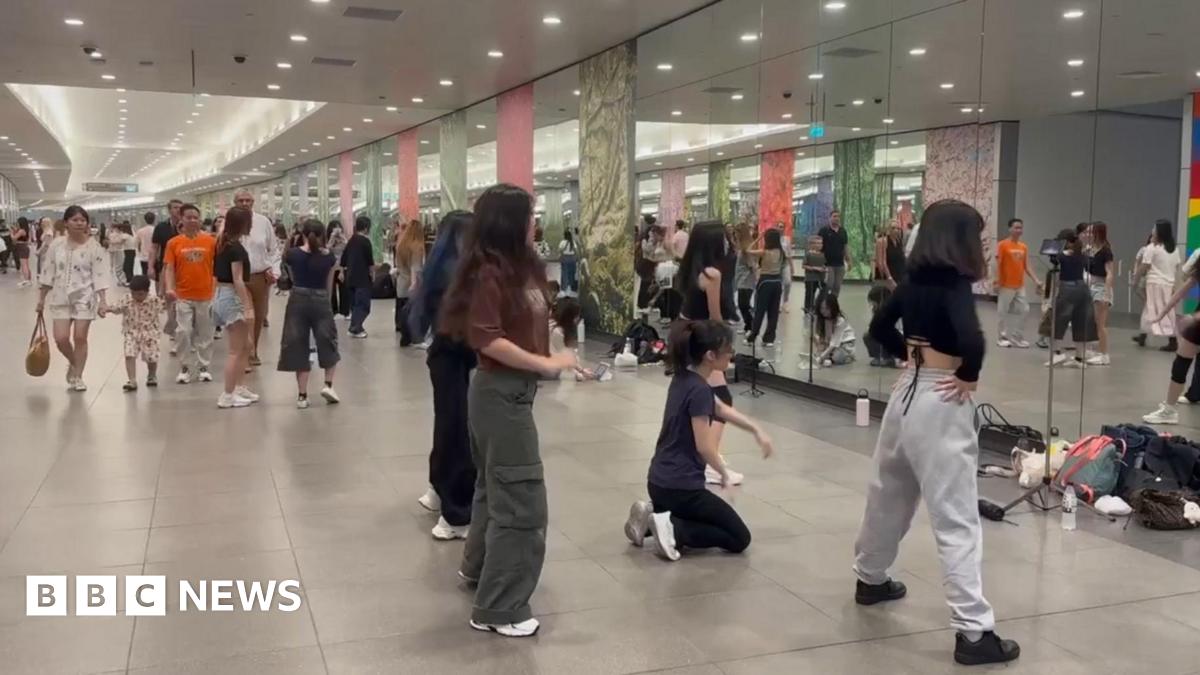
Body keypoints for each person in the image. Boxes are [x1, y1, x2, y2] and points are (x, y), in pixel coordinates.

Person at [856, 199, 1020, 666]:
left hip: (907, 392)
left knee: (888, 492)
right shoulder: (954, 284)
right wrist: (968, 373)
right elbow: (972, 339)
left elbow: (879, 327)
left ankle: (870, 577)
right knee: (956, 515)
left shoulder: (912, 282)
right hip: (943, 399)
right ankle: (973, 633)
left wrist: (908, 357)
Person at [440, 183, 576, 638]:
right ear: (508, 222)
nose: (535, 222)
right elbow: (488, 338)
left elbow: (534, 326)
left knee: (493, 488)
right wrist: (544, 363)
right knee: (521, 501)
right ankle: (499, 608)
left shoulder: (521, 270)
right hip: (499, 395)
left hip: (513, 393)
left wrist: (560, 354)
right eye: (529, 215)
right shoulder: (488, 273)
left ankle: (478, 572)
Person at [624, 320, 774, 562]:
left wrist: (756, 429)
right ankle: (673, 528)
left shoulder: (684, 379)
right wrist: (723, 473)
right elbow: (704, 446)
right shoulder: (700, 390)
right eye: (728, 351)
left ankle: (654, 516)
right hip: (681, 489)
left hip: (658, 483)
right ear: (710, 356)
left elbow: (722, 409)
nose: (731, 355)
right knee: (739, 538)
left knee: (707, 517)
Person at [410, 210, 477, 540]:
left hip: (443, 356)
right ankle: (456, 514)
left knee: (447, 425)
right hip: (457, 355)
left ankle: (437, 489)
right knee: (458, 434)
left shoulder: (439, 267)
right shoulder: (460, 273)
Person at [678, 220, 744, 486]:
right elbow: (715, 316)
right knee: (721, 399)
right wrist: (726, 344)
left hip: (686, 333)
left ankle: (705, 456)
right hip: (705, 339)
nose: (728, 242)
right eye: (724, 238)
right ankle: (709, 459)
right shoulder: (712, 274)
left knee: (699, 397)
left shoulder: (688, 270)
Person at [36, 205, 113, 392]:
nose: (79, 223)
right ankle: (73, 362)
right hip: (61, 296)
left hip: (84, 297)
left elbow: (100, 274)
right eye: (75, 220)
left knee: (80, 337)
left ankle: (78, 376)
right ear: (66, 223)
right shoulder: (56, 244)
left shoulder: (94, 247)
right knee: (61, 339)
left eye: (83, 220)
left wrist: (103, 300)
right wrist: (41, 299)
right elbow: (48, 271)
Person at [278, 219, 341, 408]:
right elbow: (329, 284)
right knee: (328, 341)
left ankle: (302, 396)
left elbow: (288, 277)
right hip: (321, 299)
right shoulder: (329, 257)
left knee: (298, 344)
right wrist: (326, 302)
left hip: (298, 298)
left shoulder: (292, 255)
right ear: (323, 234)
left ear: (303, 234)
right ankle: (328, 385)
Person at [211, 207, 259, 409]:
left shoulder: (222, 243)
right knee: (235, 350)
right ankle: (227, 394)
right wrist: (247, 306)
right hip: (231, 297)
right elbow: (238, 279)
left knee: (247, 345)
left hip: (222, 295)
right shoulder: (235, 248)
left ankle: (239, 387)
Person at [163, 203, 217, 384]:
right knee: (183, 331)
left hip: (206, 294)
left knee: (205, 333)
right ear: (182, 219)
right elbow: (169, 268)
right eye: (189, 217)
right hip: (183, 295)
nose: (193, 220)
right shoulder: (174, 243)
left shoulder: (211, 241)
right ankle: (185, 367)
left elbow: (216, 268)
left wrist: (215, 289)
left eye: (196, 217)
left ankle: (204, 367)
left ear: (200, 219)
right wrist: (170, 289)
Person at [232, 190, 281, 369]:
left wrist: (273, 271)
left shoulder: (263, 222)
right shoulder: (229, 223)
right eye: (241, 200)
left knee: (258, 317)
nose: (245, 203)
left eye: (248, 200)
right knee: (244, 316)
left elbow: (273, 250)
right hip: (236, 278)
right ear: (235, 202)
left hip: (259, 276)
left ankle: (254, 350)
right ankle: (244, 353)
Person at [1044, 228, 1096, 369]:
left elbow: (1055, 262)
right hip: (1083, 289)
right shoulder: (1083, 255)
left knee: (1058, 321)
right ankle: (1079, 357)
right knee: (1080, 323)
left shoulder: (1061, 255)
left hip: (1067, 288)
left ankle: (1057, 353)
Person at [109, 275, 162, 391]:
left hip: (150, 333)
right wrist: (107, 309)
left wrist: (171, 301)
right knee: (129, 354)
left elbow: (164, 307)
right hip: (131, 332)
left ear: (147, 292)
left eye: (140, 294)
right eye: (133, 293)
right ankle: (132, 380)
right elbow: (117, 308)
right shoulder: (127, 299)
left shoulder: (154, 300)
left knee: (151, 357)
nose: (136, 296)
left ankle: (152, 375)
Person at [994, 218, 1041, 348]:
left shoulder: (1023, 246)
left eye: (1020, 227)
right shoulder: (1002, 245)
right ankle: (1001, 337)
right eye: (1016, 227)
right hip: (1005, 284)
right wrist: (996, 281)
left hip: (1019, 285)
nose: (1019, 230)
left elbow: (1027, 266)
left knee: (1025, 310)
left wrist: (1036, 280)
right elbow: (997, 264)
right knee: (1002, 311)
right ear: (1010, 229)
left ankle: (1016, 336)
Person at [1135, 219, 1180, 352]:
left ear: (1159, 231)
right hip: (1168, 284)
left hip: (1154, 283)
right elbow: (1176, 267)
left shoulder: (1152, 248)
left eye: (1154, 228)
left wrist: (1135, 279)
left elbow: (1144, 266)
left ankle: (1169, 340)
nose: (1152, 230)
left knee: (1152, 309)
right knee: (1166, 311)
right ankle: (1145, 335)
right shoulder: (1174, 249)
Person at [747, 228, 788, 347]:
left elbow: (748, 250)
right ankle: (769, 338)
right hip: (777, 282)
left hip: (765, 281)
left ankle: (753, 337)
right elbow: (783, 267)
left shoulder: (764, 252)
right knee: (773, 311)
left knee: (760, 310)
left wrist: (758, 238)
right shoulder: (781, 253)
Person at [151, 199, 183, 347]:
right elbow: (154, 248)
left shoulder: (187, 226)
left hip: (186, 268)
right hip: (167, 267)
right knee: (169, 300)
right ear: (169, 210)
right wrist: (150, 266)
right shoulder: (161, 227)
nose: (178, 210)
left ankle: (184, 331)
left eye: (180, 207)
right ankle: (173, 331)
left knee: (186, 301)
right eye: (175, 207)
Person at [1086, 221, 1115, 366]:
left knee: (1101, 323)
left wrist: (1106, 293)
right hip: (1091, 285)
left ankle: (1104, 355)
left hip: (1101, 285)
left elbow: (1110, 273)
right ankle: (1094, 350)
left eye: (1091, 232)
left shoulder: (1106, 251)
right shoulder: (1090, 249)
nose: (1088, 234)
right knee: (1092, 321)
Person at [341, 216, 375, 338]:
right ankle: (355, 328)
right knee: (363, 305)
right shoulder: (365, 241)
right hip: (362, 278)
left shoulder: (351, 240)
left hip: (350, 277)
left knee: (355, 304)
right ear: (366, 228)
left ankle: (355, 326)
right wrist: (373, 275)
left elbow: (343, 260)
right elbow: (370, 262)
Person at [393, 218, 426, 343]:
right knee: (413, 310)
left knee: (402, 308)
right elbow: (416, 267)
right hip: (412, 281)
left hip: (401, 281)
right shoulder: (417, 246)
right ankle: (412, 336)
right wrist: (414, 283)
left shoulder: (401, 245)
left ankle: (402, 330)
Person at [814, 292, 857, 366]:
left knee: (837, 356)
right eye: (821, 308)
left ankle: (848, 357)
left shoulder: (840, 321)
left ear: (833, 308)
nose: (823, 311)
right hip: (831, 344)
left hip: (844, 345)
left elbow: (834, 343)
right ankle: (828, 357)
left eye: (827, 308)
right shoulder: (822, 319)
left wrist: (821, 358)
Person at [819, 209, 852, 296]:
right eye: (834, 216)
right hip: (827, 263)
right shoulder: (824, 230)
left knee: (837, 286)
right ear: (830, 218)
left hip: (839, 264)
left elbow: (845, 247)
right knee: (829, 285)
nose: (837, 218)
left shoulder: (843, 231)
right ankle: (820, 302)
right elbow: (818, 246)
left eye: (838, 217)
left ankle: (832, 305)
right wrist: (819, 261)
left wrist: (849, 260)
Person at [733, 223, 757, 329]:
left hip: (746, 279)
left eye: (737, 232)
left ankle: (751, 325)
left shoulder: (747, 247)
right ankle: (748, 325)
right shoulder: (741, 245)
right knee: (742, 304)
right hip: (741, 278)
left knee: (743, 304)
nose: (735, 235)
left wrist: (756, 277)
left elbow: (752, 264)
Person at [326, 220, 349, 318]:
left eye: (338, 227)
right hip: (331, 267)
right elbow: (327, 249)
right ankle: (333, 310)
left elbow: (348, 248)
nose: (337, 230)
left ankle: (345, 311)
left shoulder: (343, 239)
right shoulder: (328, 239)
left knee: (344, 289)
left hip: (342, 266)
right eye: (334, 228)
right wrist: (331, 238)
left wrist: (342, 237)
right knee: (332, 290)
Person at [802, 235, 826, 314]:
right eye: (817, 243)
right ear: (812, 244)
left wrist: (824, 268)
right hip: (810, 278)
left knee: (824, 291)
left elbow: (825, 264)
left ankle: (817, 306)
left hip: (821, 278)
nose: (820, 245)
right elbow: (804, 265)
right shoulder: (808, 254)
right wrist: (815, 268)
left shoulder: (823, 254)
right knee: (810, 294)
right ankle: (808, 308)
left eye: (821, 243)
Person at [106, 222, 134, 286]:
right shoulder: (126, 235)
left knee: (121, 267)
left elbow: (117, 241)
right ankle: (125, 280)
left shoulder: (124, 235)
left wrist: (110, 241)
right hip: (122, 251)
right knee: (124, 266)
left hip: (120, 251)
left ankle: (124, 280)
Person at [12, 217, 32, 287]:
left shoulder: (21, 231)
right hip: (24, 247)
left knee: (24, 265)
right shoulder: (26, 230)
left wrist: (11, 233)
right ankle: (28, 280)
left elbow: (14, 238)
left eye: (18, 222)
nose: (17, 224)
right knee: (26, 265)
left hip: (22, 248)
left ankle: (27, 281)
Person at [135, 212, 155, 279]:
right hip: (154, 257)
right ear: (154, 219)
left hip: (143, 256)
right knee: (157, 276)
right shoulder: (156, 230)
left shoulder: (140, 231)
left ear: (145, 219)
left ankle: (145, 288)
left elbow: (138, 244)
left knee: (144, 274)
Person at [559, 228, 578, 295]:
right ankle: (571, 287)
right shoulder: (573, 242)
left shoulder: (562, 242)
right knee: (572, 273)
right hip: (572, 258)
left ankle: (564, 288)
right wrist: (575, 258)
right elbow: (576, 251)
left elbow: (561, 251)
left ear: (564, 235)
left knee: (564, 273)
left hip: (565, 258)